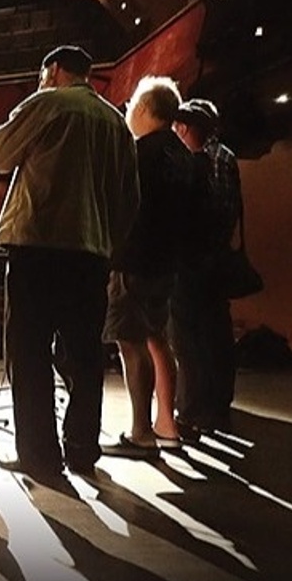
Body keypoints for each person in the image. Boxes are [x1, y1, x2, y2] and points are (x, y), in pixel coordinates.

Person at [0, 45, 139, 481]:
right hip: (92, 254)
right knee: (87, 354)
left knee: (30, 353)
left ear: (53, 70)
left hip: (37, 248)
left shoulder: (47, 102)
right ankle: (82, 448)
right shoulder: (116, 122)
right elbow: (131, 199)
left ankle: (39, 455)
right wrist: (111, 244)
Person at [101, 76, 197, 459]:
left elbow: (122, 207)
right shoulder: (182, 155)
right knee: (159, 340)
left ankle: (140, 433)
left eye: (130, 107)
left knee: (131, 341)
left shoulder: (140, 154)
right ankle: (166, 426)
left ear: (143, 109)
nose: (127, 113)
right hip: (167, 263)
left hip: (135, 261)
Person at [169, 98, 242, 438]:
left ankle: (192, 409)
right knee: (216, 332)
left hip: (194, 259)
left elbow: (200, 210)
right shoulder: (227, 156)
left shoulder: (197, 160)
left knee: (188, 337)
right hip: (217, 257)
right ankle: (218, 403)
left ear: (185, 127)